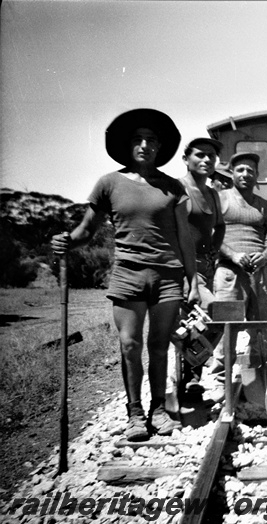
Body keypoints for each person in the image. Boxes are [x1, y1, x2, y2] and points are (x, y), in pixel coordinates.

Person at [51, 108, 197, 441]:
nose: (144, 145)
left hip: (167, 277)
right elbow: (87, 230)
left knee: (159, 345)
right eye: (138, 139)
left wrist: (195, 281)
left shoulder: (172, 187)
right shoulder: (109, 183)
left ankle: (158, 410)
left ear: (160, 147)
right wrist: (67, 241)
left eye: (151, 140)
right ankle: (135, 414)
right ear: (128, 145)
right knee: (130, 345)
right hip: (128, 274)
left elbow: (184, 237)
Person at [208, 152, 267, 400]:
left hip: (259, 274)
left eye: (250, 170)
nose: (245, 174)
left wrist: (266, 256)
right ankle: (220, 380)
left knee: (264, 326)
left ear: (257, 175)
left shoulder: (264, 205)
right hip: (229, 273)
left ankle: (257, 374)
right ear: (232, 173)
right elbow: (210, 236)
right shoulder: (221, 200)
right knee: (226, 328)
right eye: (240, 170)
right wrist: (233, 255)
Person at [166, 137, 226, 410]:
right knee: (209, 312)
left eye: (211, 156)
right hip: (182, 267)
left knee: (195, 325)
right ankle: (183, 382)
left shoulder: (213, 193)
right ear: (186, 158)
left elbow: (220, 226)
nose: (206, 160)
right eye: (200, 155)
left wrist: (214, 249)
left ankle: (191, 380)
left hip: (206, 265)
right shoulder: (177, 188)